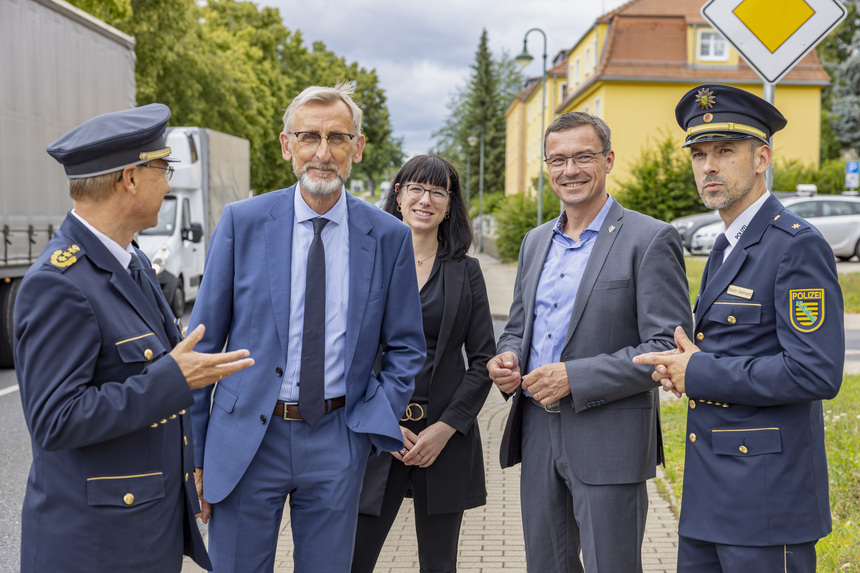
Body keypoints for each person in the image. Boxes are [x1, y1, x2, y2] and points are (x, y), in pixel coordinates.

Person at [188, 82, 426, 572]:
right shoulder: (241, 223)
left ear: (357, 148)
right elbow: (201, 345)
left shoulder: (388, 237)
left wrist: (368, 423)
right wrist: (193, 450)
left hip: (338, 438)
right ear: (286, 145)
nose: (323, 152)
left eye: (338, 138)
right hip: (246, 439)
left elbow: (406, 347)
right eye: (309, 137)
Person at [14, 104, 254, 573]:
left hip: (142, 534)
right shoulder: (58, 282)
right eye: (163, 168)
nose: (168, 184)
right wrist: (174, 379)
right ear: (130, 178)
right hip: (94, 547)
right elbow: (54, 421)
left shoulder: (132, 262)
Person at [633, 84, 844, 572]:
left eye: (725, 151)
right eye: (699, 154)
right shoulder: (727, 246)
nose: (708, 166)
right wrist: (683, 367)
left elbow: (815, 373)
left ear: (761, 158)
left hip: (766, 503)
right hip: (710, 496)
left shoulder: (795, 246)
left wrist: (699, 372)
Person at [487, 111, 692, 572]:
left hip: (610, 436)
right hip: (538, 428)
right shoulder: (535, 241)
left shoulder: (650, 238)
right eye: (557, 160)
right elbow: (520, 325)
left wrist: (574, 378)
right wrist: (508, 356)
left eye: (583, 156)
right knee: (547, 565)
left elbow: (666, 344)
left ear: (609, 159)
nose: (570, 170)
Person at [351, 155, 496, 572]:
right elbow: (348, 354)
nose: (425, 199)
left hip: (443, 442)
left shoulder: (466, 272)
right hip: (377, 438)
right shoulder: (367, 264)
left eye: (438, 192)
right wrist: (382, 421)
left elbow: (483, 358)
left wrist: (445, 429)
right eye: (415, 188)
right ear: (398, 195)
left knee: (439, 564)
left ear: (449, 204)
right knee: (353, 560)